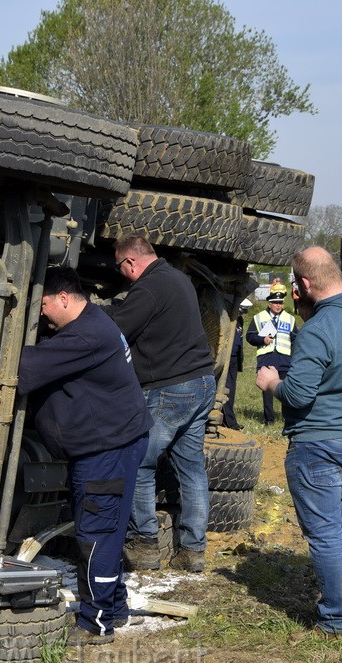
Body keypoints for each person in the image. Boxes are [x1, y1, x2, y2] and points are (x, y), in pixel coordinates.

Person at [0, 267, 152, 647]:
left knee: (95, 533)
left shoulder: (86, 336)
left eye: (44, 304)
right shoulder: (94, 322)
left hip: (106, 451)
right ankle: (114, 608)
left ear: (64, 298)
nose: (42, 313)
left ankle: (96, 624)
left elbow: (23, 367)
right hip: (116, 442)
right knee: (107, 528)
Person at [256, 246, 342, 637]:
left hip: (318, 441)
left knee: (325, 532)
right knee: (337, 523)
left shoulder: (318, 329)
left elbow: (298, 394)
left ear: (304, 284)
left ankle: (336, 619)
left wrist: (272, 383)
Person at [110, 234, 215, 573]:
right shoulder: (178, 278)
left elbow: (116, 331)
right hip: (202, 382)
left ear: (130, 262)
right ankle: (193, 552)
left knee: (140, 464)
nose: (123, 274)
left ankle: (146, 548)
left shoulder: (148, 288)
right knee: (192, 470)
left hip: (170, 388)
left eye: (120, 268)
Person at [246, 291, 297, 425]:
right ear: (269, 303)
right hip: (266, 357)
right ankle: (269, 419)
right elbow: (250, 336)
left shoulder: (290, 318)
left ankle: (288, 418)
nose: (278, 305)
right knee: (267, 389)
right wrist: (263, 339)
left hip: (284, 358)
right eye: (275, 303)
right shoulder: (259, 317)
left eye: (280, 303)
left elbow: (296, 339)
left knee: (286, 388)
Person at [221, 299, 250, 430]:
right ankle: (227, 420)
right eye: (241, 311)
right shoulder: (227, 318)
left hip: (234, 359)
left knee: (231, 390)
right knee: (224, 388)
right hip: (224, 358)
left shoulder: (239, 321)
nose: (242, 314)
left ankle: (230, 420)